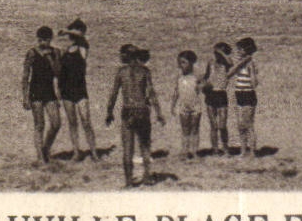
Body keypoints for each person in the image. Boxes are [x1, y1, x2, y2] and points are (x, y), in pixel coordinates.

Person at [104, 45, 165, 187]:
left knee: (127, 148)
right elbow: (151, 93)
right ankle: (147, 177)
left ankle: (128, 182)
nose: (119, 57)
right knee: (145, 146)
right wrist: (159, 113)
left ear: (126, 56)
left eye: (121, 54)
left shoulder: (121, 72)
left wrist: (109, 112)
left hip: (128, 110)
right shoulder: (144, 71)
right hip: (142, 110)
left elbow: (113, 94)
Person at [57, 22, 98, 162]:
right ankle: (76, 152)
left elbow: (82, 36)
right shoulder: (65, 51)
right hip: (67, 90)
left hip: (80, 89)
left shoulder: (83, 48)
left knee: (86, 122)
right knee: (73, 122)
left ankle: (93, 152)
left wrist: (67, 30)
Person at [22, 26, 62, 164]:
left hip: (49, 91)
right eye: (41, 40)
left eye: (46, 40)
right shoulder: (32, 53)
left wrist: (51, 59)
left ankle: (45, 148)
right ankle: (40, 157)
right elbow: (25, 76)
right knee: (39, 125)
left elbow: (58, 73)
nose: (43, 43)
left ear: (50, 40)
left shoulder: (56, 52)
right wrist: (25, 96)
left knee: (56, 123)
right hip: (36, 91)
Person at [200, 42, 232, 156]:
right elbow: (206, 75)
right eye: (215, 52)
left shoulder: (227, 63)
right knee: (213, 125)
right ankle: (215, 149)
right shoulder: (211, 62)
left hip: (221, 94)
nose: (216, 54)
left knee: (222, 125)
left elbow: (230, 62)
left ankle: (225, 148)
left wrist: (222, 53)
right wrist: (202, 84)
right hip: (211, 94)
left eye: (217, 52)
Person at [231, 37, 260, 157]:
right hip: (239, 93)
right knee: (240, 124)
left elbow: (254, 84)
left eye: (240, 49)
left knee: (248, 124)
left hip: (248, 93)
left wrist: (252, 72)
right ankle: (243, 150)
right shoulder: (239, 63)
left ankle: (252, 151)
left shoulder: (250, 64)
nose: (238, 51)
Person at [173, 51, 204, 160]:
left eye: (184, 62)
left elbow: (202, 88)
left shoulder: (196, 77)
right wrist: (173, 105)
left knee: (195, 129)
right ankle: (185, 151)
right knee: (185, 129)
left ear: (191, 63)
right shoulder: (179, 77)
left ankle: (194, 151)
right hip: (183, 106)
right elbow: (176, 92)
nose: (181, 65)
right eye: (179, 62)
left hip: (195, 106)